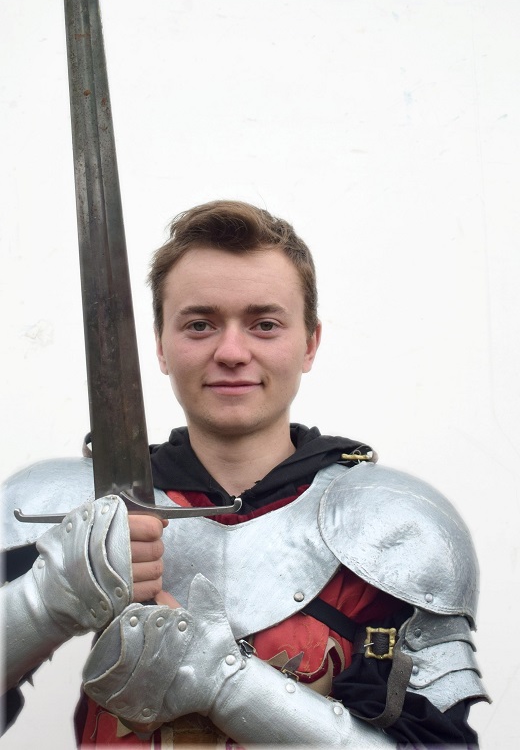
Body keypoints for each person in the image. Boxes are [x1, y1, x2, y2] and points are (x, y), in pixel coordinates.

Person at [1, 200, 489, 747]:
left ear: (309, 343)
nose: (232, 351)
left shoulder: (395, 529)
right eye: (200, 324)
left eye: (264, 324)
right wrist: (44, 601)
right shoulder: (68, 507)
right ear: (160, 345)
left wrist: (223, 684)